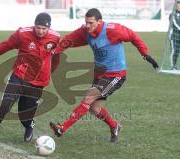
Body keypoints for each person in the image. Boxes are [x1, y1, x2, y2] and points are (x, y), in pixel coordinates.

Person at [50, 8, 158, 142]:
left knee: (88, 98)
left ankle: (62, 128)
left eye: (91, 23)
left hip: (115, 74)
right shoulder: (85, 30)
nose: (87, 25)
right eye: (86, 22)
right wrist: (55, 51)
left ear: (99, 21)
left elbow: (133, 36)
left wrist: (145, 54)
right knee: (94, 108)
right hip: (99, 74)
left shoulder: (112, 30)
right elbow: (69, 40)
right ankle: (114, 126)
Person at [0, 12, 61, 151]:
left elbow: (57, 58)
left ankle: (29, 125)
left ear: (49, 28)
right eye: (38, 27)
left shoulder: (56, 38)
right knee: (3, 106)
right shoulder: (22, 34)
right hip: (19, 77)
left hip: (37, 83)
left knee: (25, 115)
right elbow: (6, 45)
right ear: (34, 25)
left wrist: (48, 73)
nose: (40, 31)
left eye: (44, 29)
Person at [169, 1, 180, 70]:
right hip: (174, 36)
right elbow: (175, 24)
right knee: (174, 50)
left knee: (177, 51)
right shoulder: (172, 14)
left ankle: (175, 66)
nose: (179, 7)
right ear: (175, 7)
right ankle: (172, 66)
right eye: (178, 6)